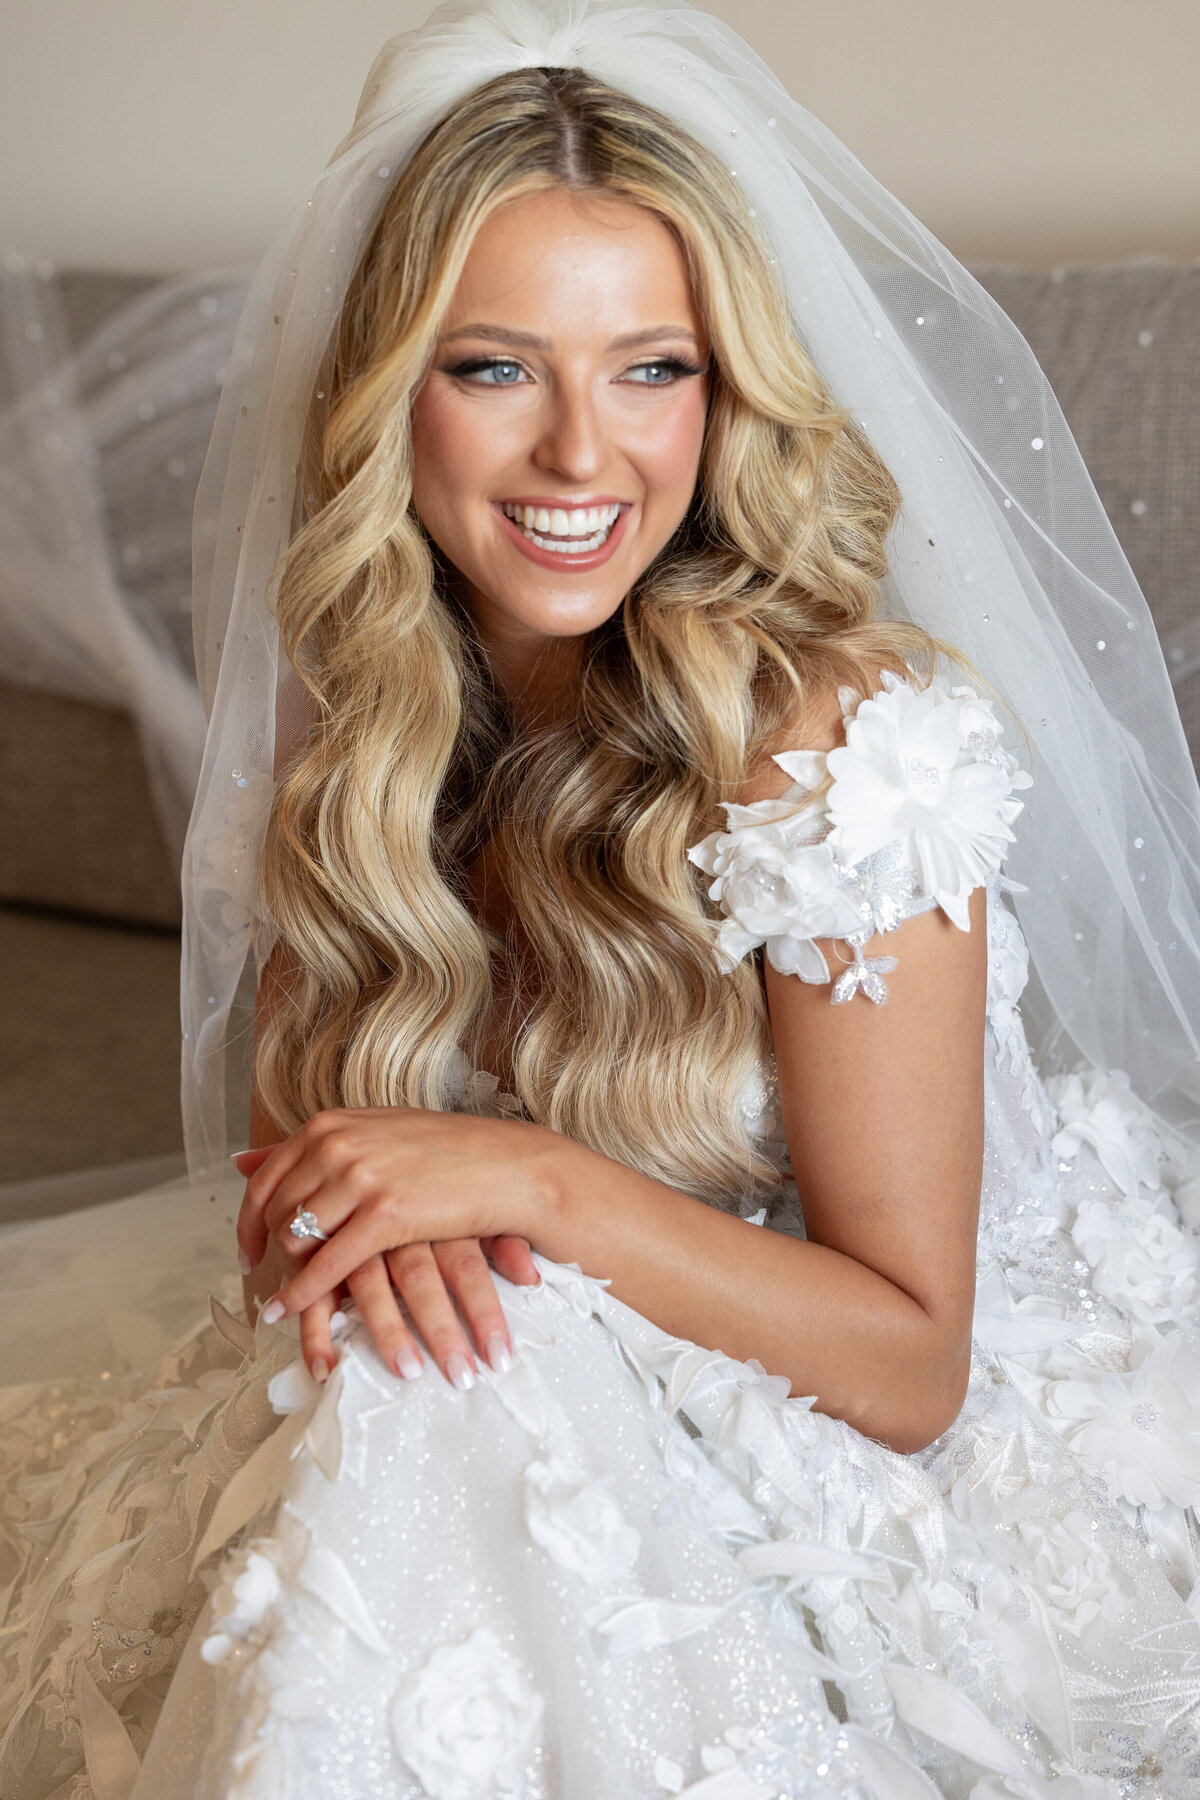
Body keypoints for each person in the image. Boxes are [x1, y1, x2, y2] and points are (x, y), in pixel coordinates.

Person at [3, 2, 1200, 1795]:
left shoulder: (839, 736)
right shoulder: (361, 721)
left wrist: (523, 1184)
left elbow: (911, 1361)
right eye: (495, 368)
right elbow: (297, 1204)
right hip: (477, 1397)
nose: (585, 455)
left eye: (655, 369)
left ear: (731, 397)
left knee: (466, 1386)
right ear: (382, 394)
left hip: (856, 1420)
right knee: (428, 1393)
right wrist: (367, 1250)